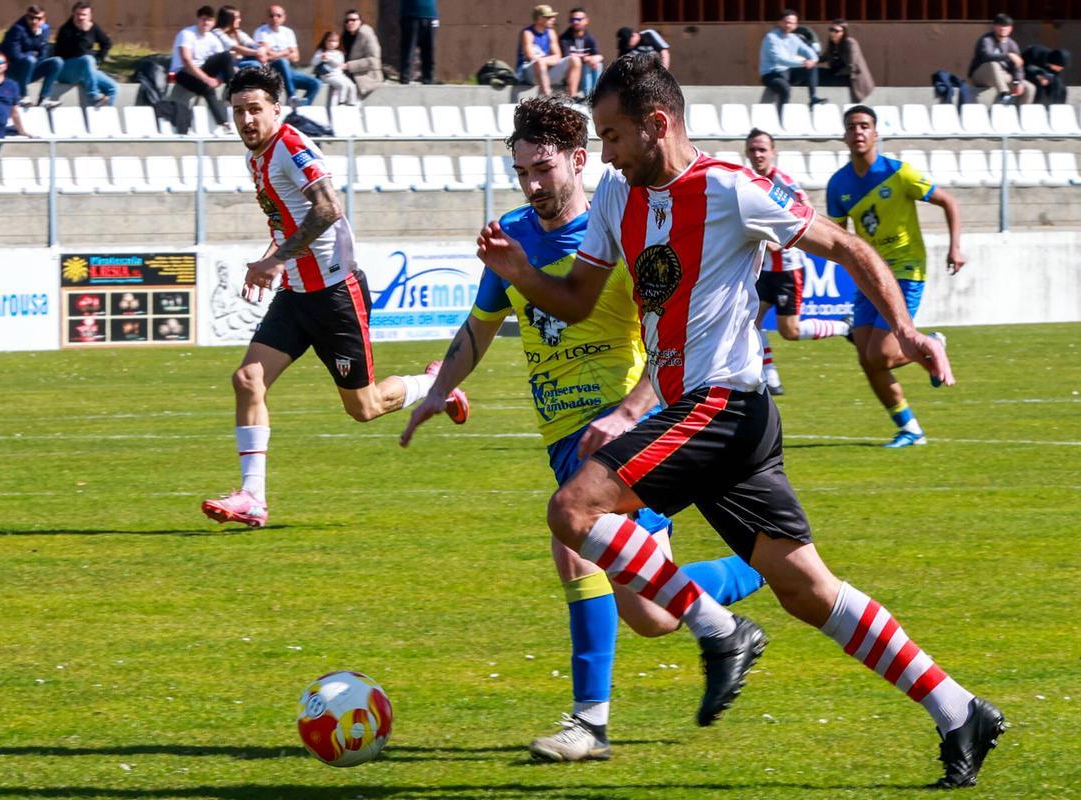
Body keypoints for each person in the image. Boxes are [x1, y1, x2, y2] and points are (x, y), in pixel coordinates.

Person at [475, 52, 1004, 789]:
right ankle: (960, 710)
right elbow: (577, 299)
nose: (605, 154)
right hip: (709, 418)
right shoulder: (615, 201)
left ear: (657, 124)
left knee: (572, 509)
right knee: (808, 590)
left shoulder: (729, 189)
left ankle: (720, 629)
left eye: (613, 136)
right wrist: (521, 275)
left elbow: (847, 246)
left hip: (723, 404)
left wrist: (907, 331)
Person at [402, 95, 766, 762]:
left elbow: (672, 344)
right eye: (522, 174)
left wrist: (628, 411)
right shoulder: (513, 233)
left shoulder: (621, 234)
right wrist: (439, 389)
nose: (533, 186)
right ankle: (752, 573)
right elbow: (480, 329)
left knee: (573, 548)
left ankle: (587, 726)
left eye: (544, 169)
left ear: (578, 159)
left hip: (626, 433)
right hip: (562, 439)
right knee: (650, 614)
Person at [200, 67, 470, 529]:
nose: (247, 119)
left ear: (277, 110)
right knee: (247, 379)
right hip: (296, 294)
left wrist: (275, 259)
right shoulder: (258, 158)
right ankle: (253, 497)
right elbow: (286, 224)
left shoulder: (291, 146)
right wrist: (273, 261)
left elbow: (329, 207)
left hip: (335, 296)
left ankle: (435, 386)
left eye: (255, 109)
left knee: (363, 408)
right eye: (239, 110)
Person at [828, 105, 963, 448]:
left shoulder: (899, 174)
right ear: (845, 136)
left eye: (864, 126)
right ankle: (910, 428)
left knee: (883, 355)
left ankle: (932, 342)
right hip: (869, 275)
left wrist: (955, 248)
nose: (858, 131)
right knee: (867, 358)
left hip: (905, 270)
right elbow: (839, 237)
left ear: (875, 133)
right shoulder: (838, 185)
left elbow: (949, 201)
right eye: (852, 127)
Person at [744, 128, 850, 396]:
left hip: (788, 269)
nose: (757, 154)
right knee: (748, 322)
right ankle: (770, 378)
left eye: (762, 149)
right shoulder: (748, 183)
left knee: (789, 330)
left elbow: (805, 215)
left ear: (773, 152)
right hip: (764, 269)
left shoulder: (783, 184)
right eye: (753, 150)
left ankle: (845, 325)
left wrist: (777, 242)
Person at [170, 5, 235, 133]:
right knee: (207, 89)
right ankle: (224, 123)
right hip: (183, 73)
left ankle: (232, 91)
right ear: (198, 20)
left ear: (213, 22)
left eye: (209, 20)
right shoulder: (187, 34)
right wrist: (206, 79)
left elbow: (224, 61)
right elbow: (186, 61)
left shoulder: (212, 38)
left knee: (227, 55)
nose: (206, 23)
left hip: (202, 70)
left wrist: (219, 79)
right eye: (203, 19)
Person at [54, 1, 118, 107]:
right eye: (78, 14)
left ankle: (102, 118)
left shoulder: (93, 27)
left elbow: (106, 43)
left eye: (84, 15)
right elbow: (77, 52)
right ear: (73, 14)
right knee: (87, 59)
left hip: (86, 70)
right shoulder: (66, 30)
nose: (81, 18)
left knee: (113, 88)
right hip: (66, 70)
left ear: (90, 16)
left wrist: (98, 60)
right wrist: (82, 33)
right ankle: (93, 95)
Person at [252, 6, 320, 106]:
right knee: (282, 61)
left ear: (284, 17)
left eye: (278, 15)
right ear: (267, 17)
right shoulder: (261, 32)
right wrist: (287, 52)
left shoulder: (288, 32)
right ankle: (291, 96)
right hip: (270, 70)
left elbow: (296, 57)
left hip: (288, 70)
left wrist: (277, 54)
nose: (275, 18)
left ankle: (300, 107)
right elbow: (266, 55)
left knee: (315, 83)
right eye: (272, 15)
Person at [759, 9, 825, 109]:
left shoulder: (794, 38)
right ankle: (781, 117)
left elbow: (810, 52)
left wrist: (813, 60)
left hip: (787, 72)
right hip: (771, 74)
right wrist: (803, 63)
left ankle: (813, 98)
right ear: (780, 22)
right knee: (785, 89)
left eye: (793, 23)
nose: (789, 25)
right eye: (787, 22)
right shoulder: (771, 37)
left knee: (812, 67)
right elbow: (780, 59)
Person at [0, 5, 63, 108]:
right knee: (29, 60)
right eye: (31, 18)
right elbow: (15, 55)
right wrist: (31, 55)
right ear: (26, 17)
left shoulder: (45, 29)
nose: (34, 21)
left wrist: (34, 58)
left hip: (30, 69)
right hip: (13, 71)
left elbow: (44, 54)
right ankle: (23, 96)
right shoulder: (17, 29)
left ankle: (44, 98)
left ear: (44, 19)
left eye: (38, 18)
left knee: (57, 62)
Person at [968, 13, 1035, 106]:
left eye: (1006, 26)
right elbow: (986, 56)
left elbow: (1018, 67)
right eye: (1000, 25)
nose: (1003, 28)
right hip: (981, 74)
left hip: (1002, 75)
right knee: (993, 64)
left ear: (1010, 28)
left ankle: (1020, 115)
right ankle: (1004, 94)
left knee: (1029, 88)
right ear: (994, 26)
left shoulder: (1012, 44)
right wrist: (1008, 56)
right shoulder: (986, 39)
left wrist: (1017, 81)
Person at [516, 5, 582, 98]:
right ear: (540, 18)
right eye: (549, 17)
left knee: (575, 60)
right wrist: (548, 60)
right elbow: (530, 56)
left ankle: (573, 97)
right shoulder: (527, 33)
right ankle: (547, 97)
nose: (553, 19)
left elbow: (558, 56)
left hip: (545, 70)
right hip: (528, 73)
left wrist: (546, 61)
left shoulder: (551, 32)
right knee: (540, 63)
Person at [817, 19, 874, 103]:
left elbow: (852, 66)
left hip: (852, 79)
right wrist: (811, 60)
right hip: (838, 75)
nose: (833, 33)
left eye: (836, 31)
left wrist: (838, 73)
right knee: (817, 72)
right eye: (831, 30)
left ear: (844, 32)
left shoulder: (850, 43)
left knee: (823, 77)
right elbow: (824, 57)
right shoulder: (833, 45)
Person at [559, 8, 602, 98]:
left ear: (586, 21)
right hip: (569, 73)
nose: (576, 22)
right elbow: (568, 59)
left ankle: (595, 96)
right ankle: (588, 97)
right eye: (572, 19)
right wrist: (586, 59)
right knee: (586, 66)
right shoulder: (564, 38)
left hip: (584, 71)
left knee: (598, 64)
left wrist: (594, 59)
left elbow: (598, 55)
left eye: (579, 19)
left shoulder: (590, 38)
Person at [341, 10, 384, 99]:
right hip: (349, 76)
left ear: (360, 21)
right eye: (347, 21)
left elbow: (374, 61)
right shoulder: (345, 37)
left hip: (367, 77)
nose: (350, 23)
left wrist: (349, 66)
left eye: (353, 20)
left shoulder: (367, 35)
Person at [214, 5, 268, 71]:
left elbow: (251, 43)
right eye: (237, 17)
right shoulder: (217, 32)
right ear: (229, 19)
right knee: (254, 63)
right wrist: (256, 52)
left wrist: (262, 48)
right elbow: (235, 47)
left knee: (280, 62)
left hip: (241, 60)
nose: (239, 20)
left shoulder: (237, 32)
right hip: (230, 64)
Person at [311, 31, 358, 106]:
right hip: (327, 76)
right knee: (342, 85)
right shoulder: (321, 51)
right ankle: (341, 102)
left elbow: (339, 63)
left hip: (339, 75)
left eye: (335, 41)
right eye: (330, 41)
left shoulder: (339, 53)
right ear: (325, 41)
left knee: (352, 85)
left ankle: (351, 103)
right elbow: (313, 62)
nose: (332, 43)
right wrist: (320, 58)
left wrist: (329, 58)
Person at [398, 0, 438, 85]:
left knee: (430, 54)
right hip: (411, 15)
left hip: (431, 15)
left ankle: (429, 82)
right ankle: (405, 83)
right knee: (408, 53)